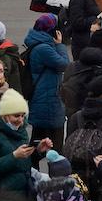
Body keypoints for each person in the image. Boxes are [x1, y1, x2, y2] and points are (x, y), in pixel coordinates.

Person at [25, 13, 70, 152]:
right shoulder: (43, 48)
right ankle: (54, 172)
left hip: (43, 98)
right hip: (48, 100)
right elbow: (64, 64)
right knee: (53, 145)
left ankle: (32, 170)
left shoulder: (39, 44)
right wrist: (60, 45)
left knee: (39, 140)